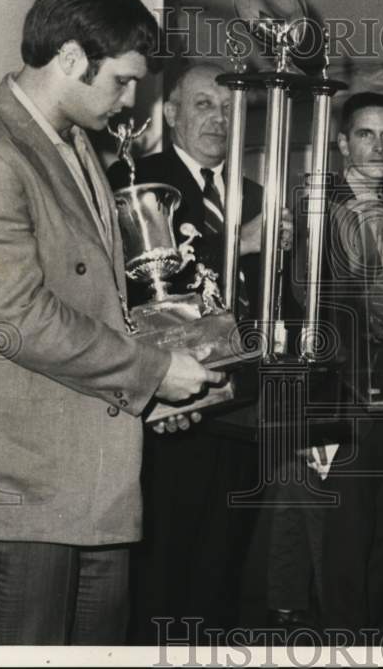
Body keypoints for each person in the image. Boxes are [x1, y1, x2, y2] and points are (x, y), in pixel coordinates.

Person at [0, 0, 223, 645]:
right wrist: (152, 370)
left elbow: (93, 300)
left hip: (82, 477)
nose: (133, 99)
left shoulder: (72, 144)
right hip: (16, 480)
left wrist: (145, 392)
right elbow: (19, 317)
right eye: (123, 81)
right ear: (72, 58)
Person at [107, 62, 279, 640]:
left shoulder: (256, 194)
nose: (219, 118)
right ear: (172, 114)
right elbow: (133, 293)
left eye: (230, 107)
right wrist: (241, 241)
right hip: (173, 411)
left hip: (246, 410)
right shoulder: (136, 183)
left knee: (224, 569)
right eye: (204, 104)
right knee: (163, 571)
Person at [286, 91, 383, 633]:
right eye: (366, 133)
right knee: (347, 522)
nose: (379, 145)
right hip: (344, 383)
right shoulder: (318, 201)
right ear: (343, 142)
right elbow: (306, 293)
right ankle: (345, 635)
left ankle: (372, 628)